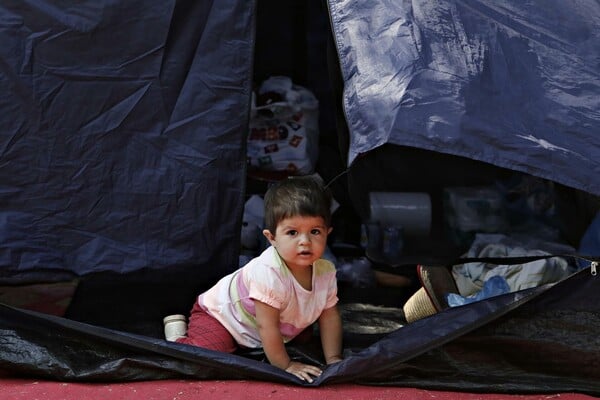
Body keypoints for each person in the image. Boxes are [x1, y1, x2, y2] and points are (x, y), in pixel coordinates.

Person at [163, 176, 343, 382]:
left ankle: (268, 346)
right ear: (271, 238)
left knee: (305, 338)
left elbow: (329, 317)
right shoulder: (268, 273)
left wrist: (334, 359)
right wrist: (286, 365)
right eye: (292, 232)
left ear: (327, 233)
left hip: (275, 324)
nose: (305, 241)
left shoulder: (326, 272)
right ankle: (177, 338)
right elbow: (267, 326)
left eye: (315, 231)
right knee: (205, 358)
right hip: (225, 319)